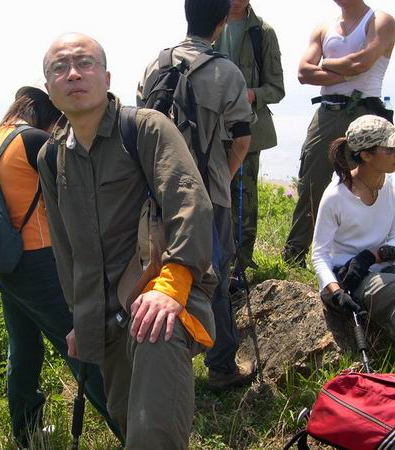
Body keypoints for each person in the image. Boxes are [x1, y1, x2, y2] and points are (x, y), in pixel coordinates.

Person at [38, 32, 216, 449]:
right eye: (60, 68)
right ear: (49, 88)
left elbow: (190, 203)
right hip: (106, 322)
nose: (73, 74)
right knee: (126, 422)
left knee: (152, 435)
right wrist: (80, 320)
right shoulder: (51, 157)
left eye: (85, 63)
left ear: (106, 77)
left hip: (161, 302)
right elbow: (66, 249)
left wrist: (171, 287)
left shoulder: (144, 128)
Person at [0, 85, 121, 447]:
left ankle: (26, 432)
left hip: (7, 262)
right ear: (44, 114)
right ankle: (132, 432)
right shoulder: (33, 140)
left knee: (23, 350)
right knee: (82, 348)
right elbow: (72, 188)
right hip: (39, 261)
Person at [137, 0, 256, 392]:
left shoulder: (155, 64)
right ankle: (221, 365)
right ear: (221, 23)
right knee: (213, 273)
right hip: (209, 192)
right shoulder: (226, 71)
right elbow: (242, 139)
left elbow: (140, 130)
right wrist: (222, 179)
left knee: (159, 269)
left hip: (157, 191)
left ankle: (159, 354)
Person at [283, 0, 394, 266]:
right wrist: (346, 73)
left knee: (372, 181)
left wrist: (326, 64)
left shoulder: (380, 20)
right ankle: (295, 254)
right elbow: (303, 71)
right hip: (326, 112)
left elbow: (362, 63)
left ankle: (373, 252)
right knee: (311, 182)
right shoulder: (324, 27)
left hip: (365, 113)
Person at [214, 0, 285, 274]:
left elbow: (276, 89)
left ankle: (240, 267)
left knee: (244, 199)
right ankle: (213, 262)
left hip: (248, 130)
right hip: (210, 129)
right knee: (210, 196)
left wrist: (251, 95)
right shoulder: (208, 23)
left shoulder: (263, 32)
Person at [312, 114, 395, 340]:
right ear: (366, 155)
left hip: (383, 268)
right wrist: (336, 292)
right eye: (390, 150)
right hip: (350, 278)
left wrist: (377, 254)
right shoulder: (335, 197)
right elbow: (319, 256)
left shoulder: (391, 185)